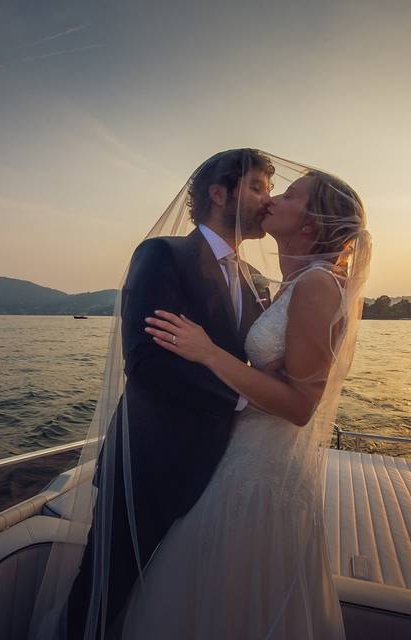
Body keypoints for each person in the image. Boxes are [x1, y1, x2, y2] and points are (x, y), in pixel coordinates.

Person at [122, 169, 371, 639]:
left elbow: (300, 407)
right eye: (269, 188)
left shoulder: (317, 285)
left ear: (311, 223)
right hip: (239, 455)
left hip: (262, 469)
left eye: (290, 194)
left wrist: (207, 351)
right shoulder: (291, 284)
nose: (274, 198)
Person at [61, 148, 275, 639]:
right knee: (103, 590)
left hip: (223, 468)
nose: (269, 199)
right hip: (149, 464)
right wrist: (248, 401)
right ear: (219, 193)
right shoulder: (162, 256)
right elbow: (147, 363)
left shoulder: (253, 279)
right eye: (258, 187)